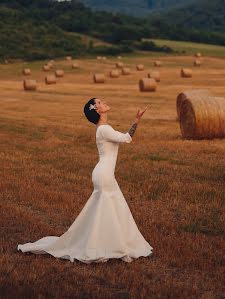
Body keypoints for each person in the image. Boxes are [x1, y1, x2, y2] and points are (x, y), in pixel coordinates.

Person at [17, 98, 152, 264]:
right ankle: (103, 245)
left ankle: (111, 243)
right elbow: (126, 138)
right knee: (106, 210)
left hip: (105, 174)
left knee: (114, 209)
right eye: (100, 102)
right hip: (104, 175)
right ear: (97, 110)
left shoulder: (103, 129)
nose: (104, 102)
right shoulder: (103, 129)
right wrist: (137, 120)